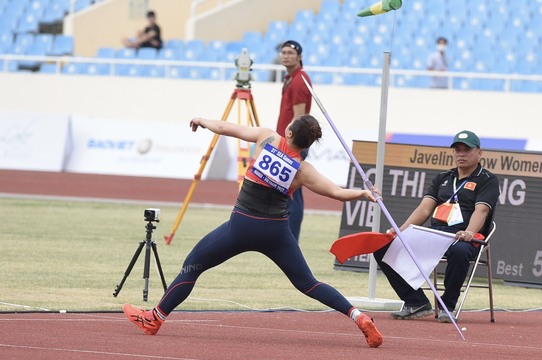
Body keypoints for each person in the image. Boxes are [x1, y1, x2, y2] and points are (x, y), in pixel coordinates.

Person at [123, 114, 384, 348]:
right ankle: (358, 316)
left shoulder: (267, 138)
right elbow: (338, 193)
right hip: (277, 232)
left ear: (290, 133)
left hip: (242, 226)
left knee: (193, 264)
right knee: (308, 283)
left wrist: (202, 121)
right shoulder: (303, 170)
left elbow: (225, 127)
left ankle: (154, 318)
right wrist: (364, 192)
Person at [373, 130, 499, 323]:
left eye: (467, 150)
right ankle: (415, 301)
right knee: (382, 247)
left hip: (463, 237)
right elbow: (424, 210)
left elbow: (481, 211)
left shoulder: (487, 179)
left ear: (479, 153)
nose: (461, 154)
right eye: (458, 150)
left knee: (460, 251)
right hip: (434, 234)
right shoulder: (442, 178)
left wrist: (469, 232)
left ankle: (447, 305)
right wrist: (400, 231)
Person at [276, 40, 313, 242]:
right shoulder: (292, 77)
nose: (285, 55)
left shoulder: (299, 80)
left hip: (292, 144)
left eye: (290, 52)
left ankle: (290, 240)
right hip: (288, 141)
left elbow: (298, 119)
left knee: (292, 194)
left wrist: (288, 146)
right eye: (283, 52)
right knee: (289, 193)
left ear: (299, 56)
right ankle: (287, 238)